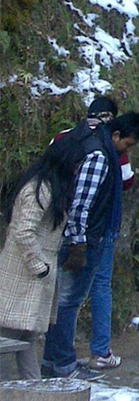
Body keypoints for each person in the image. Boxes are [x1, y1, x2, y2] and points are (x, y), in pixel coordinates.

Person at [40, 111, 139, 381]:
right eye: (128, 144)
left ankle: (53, 362)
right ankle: (63, 364)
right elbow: (81, 204)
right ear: (116, 135)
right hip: (85, 238)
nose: (127, 150)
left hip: (81, 236)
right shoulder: (100, 156)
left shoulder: (92, 137)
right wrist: (78, 244)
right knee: (69, 302)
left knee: (63, 301)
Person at [0, 140, 76, 381]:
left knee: (27, 339)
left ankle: (34, 389)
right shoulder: (40, 188)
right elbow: (23, 231)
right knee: (8, 337)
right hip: (23, 274)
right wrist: (39, 267)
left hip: (35, 276)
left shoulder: (51, 187)